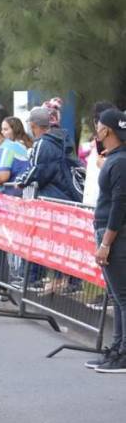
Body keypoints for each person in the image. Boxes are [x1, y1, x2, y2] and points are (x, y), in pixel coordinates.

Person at [87, 108, 126, 373]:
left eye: (99, 126)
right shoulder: (114, 158)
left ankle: (122, 354)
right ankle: (117, 349)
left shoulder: (120, 161)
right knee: (117, 296)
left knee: (122, 297)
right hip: (109, 232)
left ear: (107, 130)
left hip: (114, 235)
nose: (96, 131)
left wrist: (106, 243)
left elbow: (119, 205)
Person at [15, 107, 82, 201]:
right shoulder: (61, 139)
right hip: (67, 193)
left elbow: (38, 170)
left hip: (52, 196)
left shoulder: (43, 143)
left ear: (32, 125)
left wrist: (21, 181)